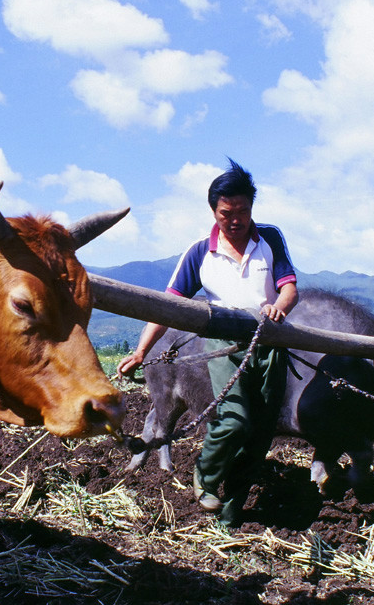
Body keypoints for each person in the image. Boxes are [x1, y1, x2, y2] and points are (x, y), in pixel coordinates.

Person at [116, 158, 298, 525]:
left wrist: (279, 306)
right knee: (232, 419)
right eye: (226, 213)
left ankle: (231, 515)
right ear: (214, 211)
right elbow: (168, 306)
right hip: (225, 346)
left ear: (252, 208)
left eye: (243, 211)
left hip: (270, 345)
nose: (235, 220)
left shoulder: (271, 238)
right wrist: (140, 351)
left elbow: (289, 288)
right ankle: (207, 474)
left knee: (261, 431)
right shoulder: (200, 252)